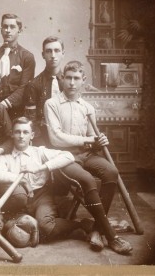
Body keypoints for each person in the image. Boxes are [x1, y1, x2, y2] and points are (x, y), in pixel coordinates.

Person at [44, 60, 133, 255]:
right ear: (62, 79)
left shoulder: (87, 107)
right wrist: (88, 139)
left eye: (77, 78)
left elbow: (93, 139)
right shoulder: (51, 104)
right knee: (87, 179)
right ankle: (111, 236)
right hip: (63, 157)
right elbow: (56, 139)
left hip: (86, 155)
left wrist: (100, 140)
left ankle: (95, 230)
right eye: (68, 78)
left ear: (83, 80)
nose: (72, 83)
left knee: (111, 172)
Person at [0, 117, 90, 242]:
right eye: (17, 132)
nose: (21, 136)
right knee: (14, 230)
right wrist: (20, 179)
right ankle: (64, 231)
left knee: (45, 227)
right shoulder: (5, 156)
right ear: (12, 134)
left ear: (32, 135)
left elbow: (68, 156)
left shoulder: (39, 152)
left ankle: (81, 225)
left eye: (25, 132)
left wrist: (41, 167)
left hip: (41, 196)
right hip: (17, 200)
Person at [23, 36, 65, 147]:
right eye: (48, 51)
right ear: (43, 55)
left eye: (57, 51)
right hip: (43, 140)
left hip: (67, 136)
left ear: (63, 54)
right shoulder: (34, 84)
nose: (53, 55)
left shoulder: (68, 83)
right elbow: (31, 120)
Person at [0, 14, 35, 119]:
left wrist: (4, 104)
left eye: (12, 27)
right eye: (5, 26)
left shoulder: (27, 57)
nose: (8, 30)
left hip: (16, 112)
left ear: (19, 30)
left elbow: (24, 88)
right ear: (1, 29)